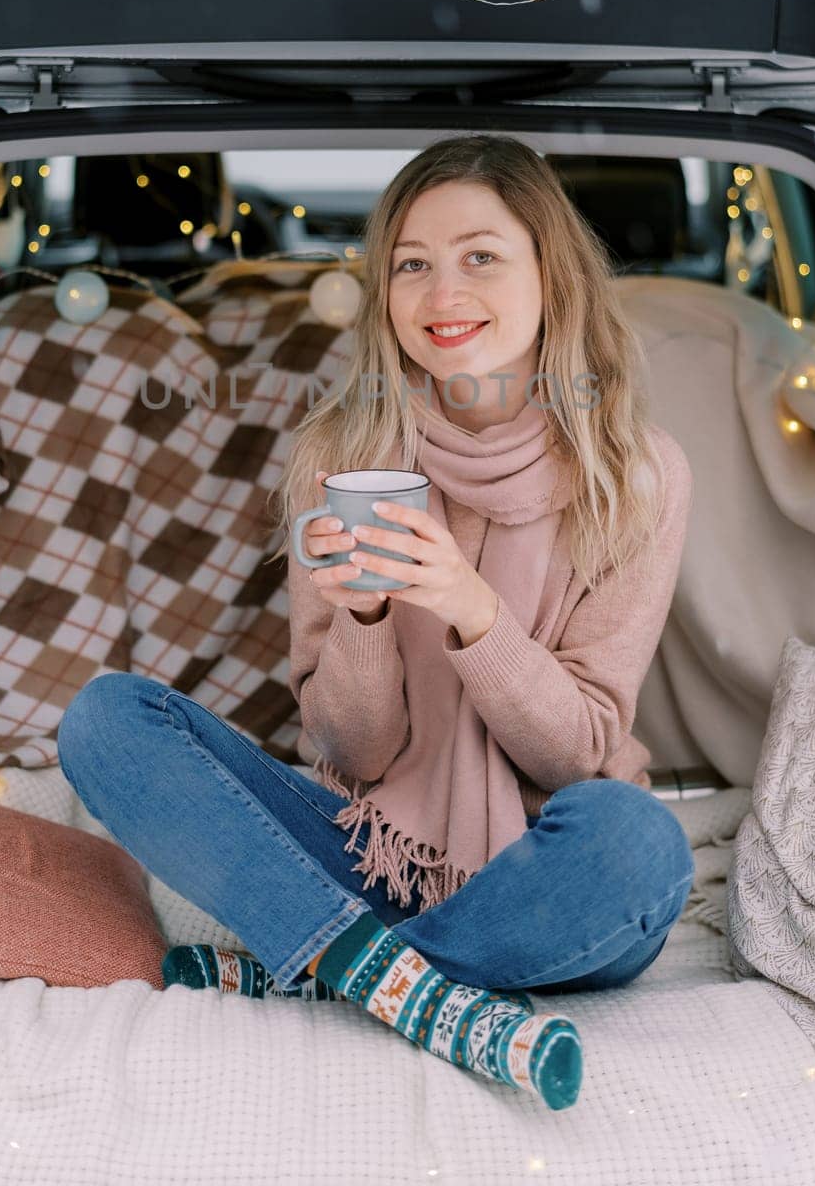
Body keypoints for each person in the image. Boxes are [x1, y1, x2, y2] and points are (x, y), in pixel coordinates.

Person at [56, 133, 695, 1111]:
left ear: (549, 273)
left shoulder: (637, 474)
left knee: (638, 842)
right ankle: (412, 985)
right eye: (411, 264)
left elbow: (580, 755)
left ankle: (319, 966)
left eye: (481, 255)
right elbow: (349, 747)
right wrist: (361, 612)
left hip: (537, 859)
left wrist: (471, 613)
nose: (444, 294)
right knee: (106, 718)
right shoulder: (342, 453)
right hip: (360, 842)